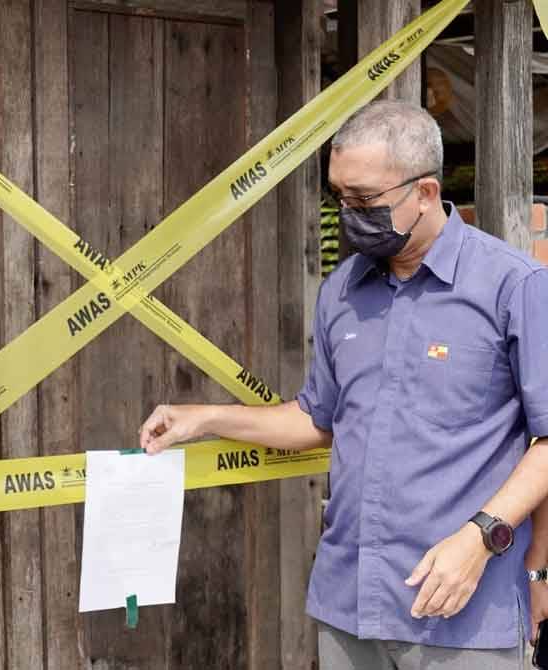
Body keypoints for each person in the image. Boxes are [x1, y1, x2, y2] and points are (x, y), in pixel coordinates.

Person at [139, 100, 548, 670]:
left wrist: (484, 539)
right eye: (339, 198)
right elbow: (316, 419)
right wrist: (204, 418)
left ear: (425, 193)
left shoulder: (514, 286)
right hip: (350, 602)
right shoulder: (343, 291)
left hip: (462, 608)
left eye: (364, 202)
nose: (349, 214)